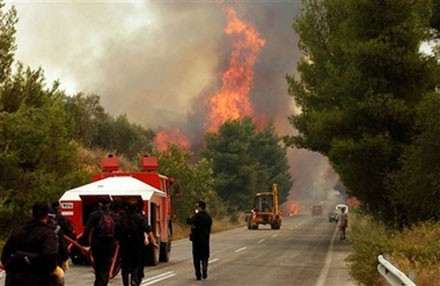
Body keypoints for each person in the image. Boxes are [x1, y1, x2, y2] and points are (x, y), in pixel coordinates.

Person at [1, 201, 58, 286]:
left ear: (32, 213)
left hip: (16, 279)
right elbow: (50, 258)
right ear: (47, 215)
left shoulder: (18, 231)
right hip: (39, 279)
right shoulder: (48, 233)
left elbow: (5, 256)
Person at [115, 198, 158, 286]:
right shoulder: (140, 218)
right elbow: (148, 229)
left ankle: (126, 283)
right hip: (137, 246)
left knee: (125, 267)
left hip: (124, 246)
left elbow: (116, 231)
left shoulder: (121, 218)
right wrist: (153, 241)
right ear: (137, 207)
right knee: (137, 264)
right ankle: (134, 279)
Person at [79, 197, 117, 286]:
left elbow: (87, 230)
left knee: (98, 267)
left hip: (97, 245)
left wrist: (85, 244)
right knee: (105, 268)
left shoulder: (94, 215)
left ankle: (98, 283)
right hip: (109, 246)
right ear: (110, 204)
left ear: (99, 204)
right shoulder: (113, 216)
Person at [186, 200, 212, 281]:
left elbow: (189, 221)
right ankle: (204, 270)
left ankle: (198, 274)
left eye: (197, 206)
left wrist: (188, 217)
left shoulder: (197, 216)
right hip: (205, 240)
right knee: (205, 256)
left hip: (197, 240)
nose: (196, 208)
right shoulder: (208, 217)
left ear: (200, 207)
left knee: (196, 258)